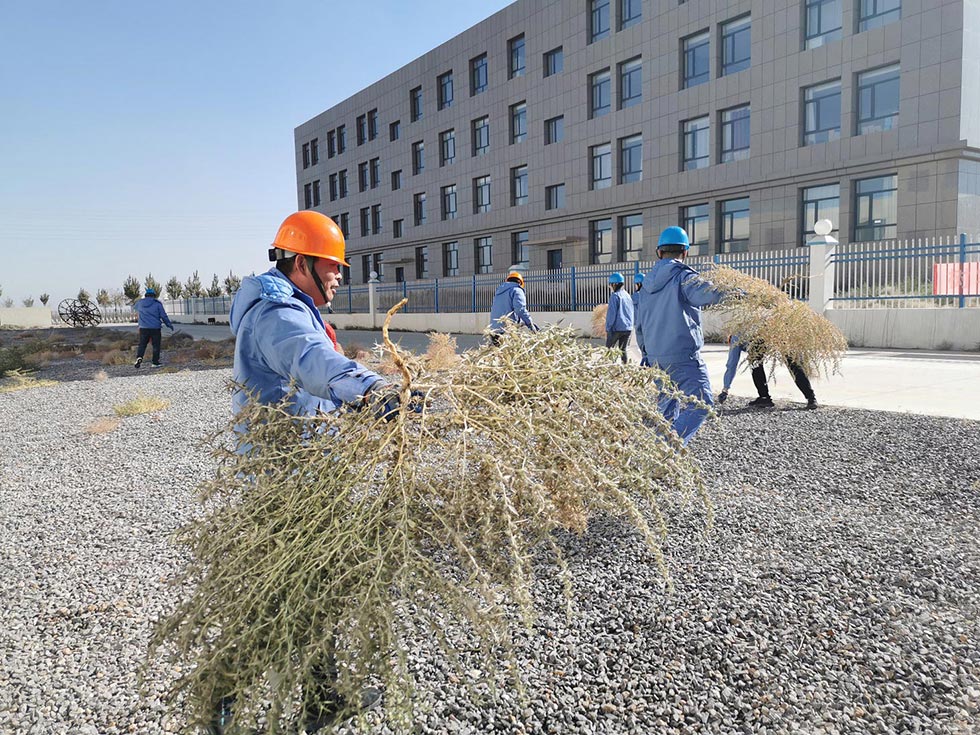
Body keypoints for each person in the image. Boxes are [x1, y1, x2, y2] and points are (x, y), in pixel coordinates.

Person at [221, 211, 405, 733]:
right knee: (278, 599)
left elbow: (311, 383)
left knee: (315, 588)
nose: (340, 275)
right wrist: (372, 393)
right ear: (300, 262)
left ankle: (321, 698)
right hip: (286, 484)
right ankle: (219, 702)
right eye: (332, 265)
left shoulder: (291, 306)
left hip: (306, 476)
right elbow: (310, 362)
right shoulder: (278, 315)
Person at [636, 226, 729, 446]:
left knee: (667, 407)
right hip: (683, 356)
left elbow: (639, 325)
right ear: (685, 252)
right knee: (702, 404)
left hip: (656, 357)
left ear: (659, 252)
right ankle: (666, 450)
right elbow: (709, 294)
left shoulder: (646, 285)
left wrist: (646, 354)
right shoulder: (683, 277)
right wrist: (739, 294)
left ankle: (659, 458)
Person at [718, 338, 818, 410]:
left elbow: (732, 364)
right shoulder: (740, 331)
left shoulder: (736, 336)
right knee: (792, 362)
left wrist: (725, 388)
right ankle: (811, 397)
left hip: (770, 332)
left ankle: (764, 397)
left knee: (755, 360)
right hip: (775, 330)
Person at [488, 271, 538, 344]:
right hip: (507, 331)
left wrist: (521, 323)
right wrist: (530, 324)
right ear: (520, 283)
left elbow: (504, 309)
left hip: (493, 330)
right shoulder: (517, 290)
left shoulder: (499, 291)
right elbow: (520, 309)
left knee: (498, 353)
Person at [132, 287, 174, 368]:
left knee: (142, 344)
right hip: (155, 328)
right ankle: (155, 362)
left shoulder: (139, 303)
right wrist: (169, 324)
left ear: (146, 295)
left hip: (143, 328)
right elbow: (163, 316)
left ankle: (139, 357)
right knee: (156, 345)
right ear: (154, 295)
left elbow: (136, 312)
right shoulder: (157, 304)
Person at [604, 273, 634, 363]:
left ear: (614, 284)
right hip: (628, 328)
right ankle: (625, 368)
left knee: (609, 350)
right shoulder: (627, 296)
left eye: (610, 284)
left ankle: (610, 368)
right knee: (623, 350)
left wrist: (608, 327)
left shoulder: (615, 296)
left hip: (617, 328)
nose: (610, 287)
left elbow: (611, 314)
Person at [632, 273, 648, 366]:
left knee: (636, 346)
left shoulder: (635, 296)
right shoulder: (650, 295)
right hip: (649, 323)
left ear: (638, 284)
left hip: (638, 324)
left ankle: (644, 360)